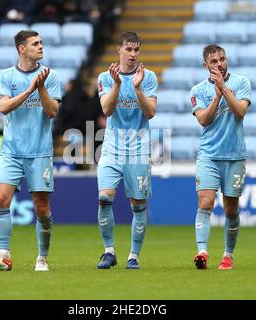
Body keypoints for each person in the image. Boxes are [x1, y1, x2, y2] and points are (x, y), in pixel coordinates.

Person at [0, 30, 61, 272]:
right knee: (1, 198)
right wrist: (29, 90)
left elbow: (52, 111)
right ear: (22, 49)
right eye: (36, 43)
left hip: (39, 151)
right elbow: (4, 106)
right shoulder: (6, 76)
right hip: (11, 151)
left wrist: (41, 87)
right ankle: (3, 256)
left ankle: (42, 258)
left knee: (41, 207)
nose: (41, 47)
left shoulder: (51, 76)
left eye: (41, 43)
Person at [95, 32, 158, 270]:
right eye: (129, 49)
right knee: (104, 199)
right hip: (112, 149)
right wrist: (119, 85)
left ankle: (134, 255)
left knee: (138, 204)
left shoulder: (148, 77)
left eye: (136, 50)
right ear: (119, 49)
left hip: (139, 149)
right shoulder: (106, 77)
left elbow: (150, 112)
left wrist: (138, 88)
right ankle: (108, 251)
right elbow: (107, 109)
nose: (133, 54)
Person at [190, 44, 251, 270]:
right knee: (205, 202)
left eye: (222, 59)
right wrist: (216, 97)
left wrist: (224, 88)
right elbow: (204, 120)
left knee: (230, 209)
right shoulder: (197, 90)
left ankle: (228, 255)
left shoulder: (242, 82)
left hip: (234, 155)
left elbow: (240, 111)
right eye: (214, 62)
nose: (220, 64)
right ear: (205, 65)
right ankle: (202, 252)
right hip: (208, 154)